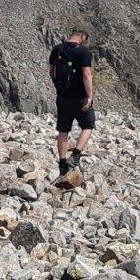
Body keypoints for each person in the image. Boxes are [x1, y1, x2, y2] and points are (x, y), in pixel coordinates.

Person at [47, 27, 95, 180]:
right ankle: (75, 156)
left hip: (62, 98)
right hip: (79, 98)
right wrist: (89, 96)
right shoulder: (83, 51)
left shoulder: (57, 49)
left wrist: (58, 86)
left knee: (63, 131)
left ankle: (62, 164)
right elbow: (86, 74)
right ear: (82, 35)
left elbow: (51, 71)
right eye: (85, 38)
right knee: (88, 125)